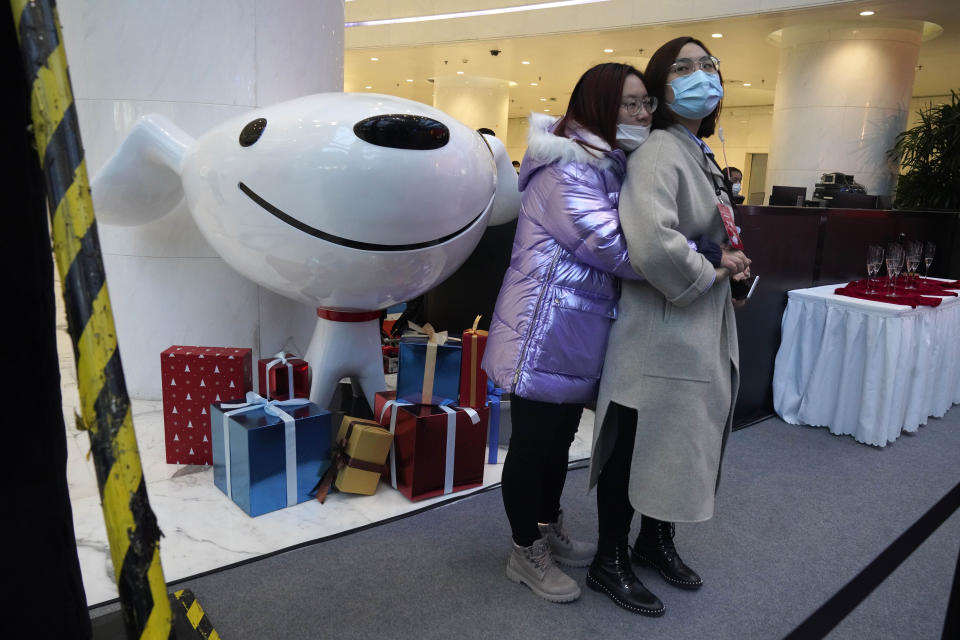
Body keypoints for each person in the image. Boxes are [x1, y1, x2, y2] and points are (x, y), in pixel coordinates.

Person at [586, 36, 751, 616]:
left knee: (679, 443)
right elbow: (652, 242)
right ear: (661, 87)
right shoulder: (658, 150)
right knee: (635, 443)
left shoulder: (697, 151)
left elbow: (707, 232)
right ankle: (610, 558)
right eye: (684, 68)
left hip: (693, 327)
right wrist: (711, 267)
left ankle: (655, 540)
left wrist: (730, 265)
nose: (701, 76)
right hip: (659, 330)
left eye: (708, 66)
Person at [482, 62, 656, 603]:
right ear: (601, 104)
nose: (642, 113)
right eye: (630, 103)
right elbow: (613, 246)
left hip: (575, 327)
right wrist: (699, 257)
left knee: (559, 440)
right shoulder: (567, 168)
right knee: (532, 444)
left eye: (646, 102)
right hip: (542, 326)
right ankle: (522, 551)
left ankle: (543, 526)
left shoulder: (607, 163)